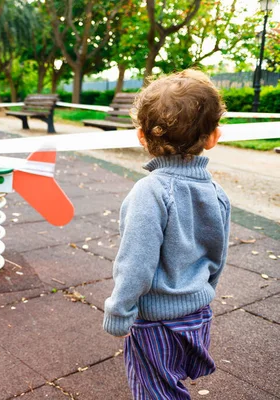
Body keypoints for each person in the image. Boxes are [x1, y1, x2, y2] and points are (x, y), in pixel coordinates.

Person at [102, 69, 231, 399]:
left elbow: (136, 264)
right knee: (173, 384)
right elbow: (218, 256)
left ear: (142, 136)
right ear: (213, 137)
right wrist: (203, 290)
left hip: (157, 322)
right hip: (198, 314)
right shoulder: (217, 193)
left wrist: (119, 312)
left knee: (157, 392)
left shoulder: (151, 192)